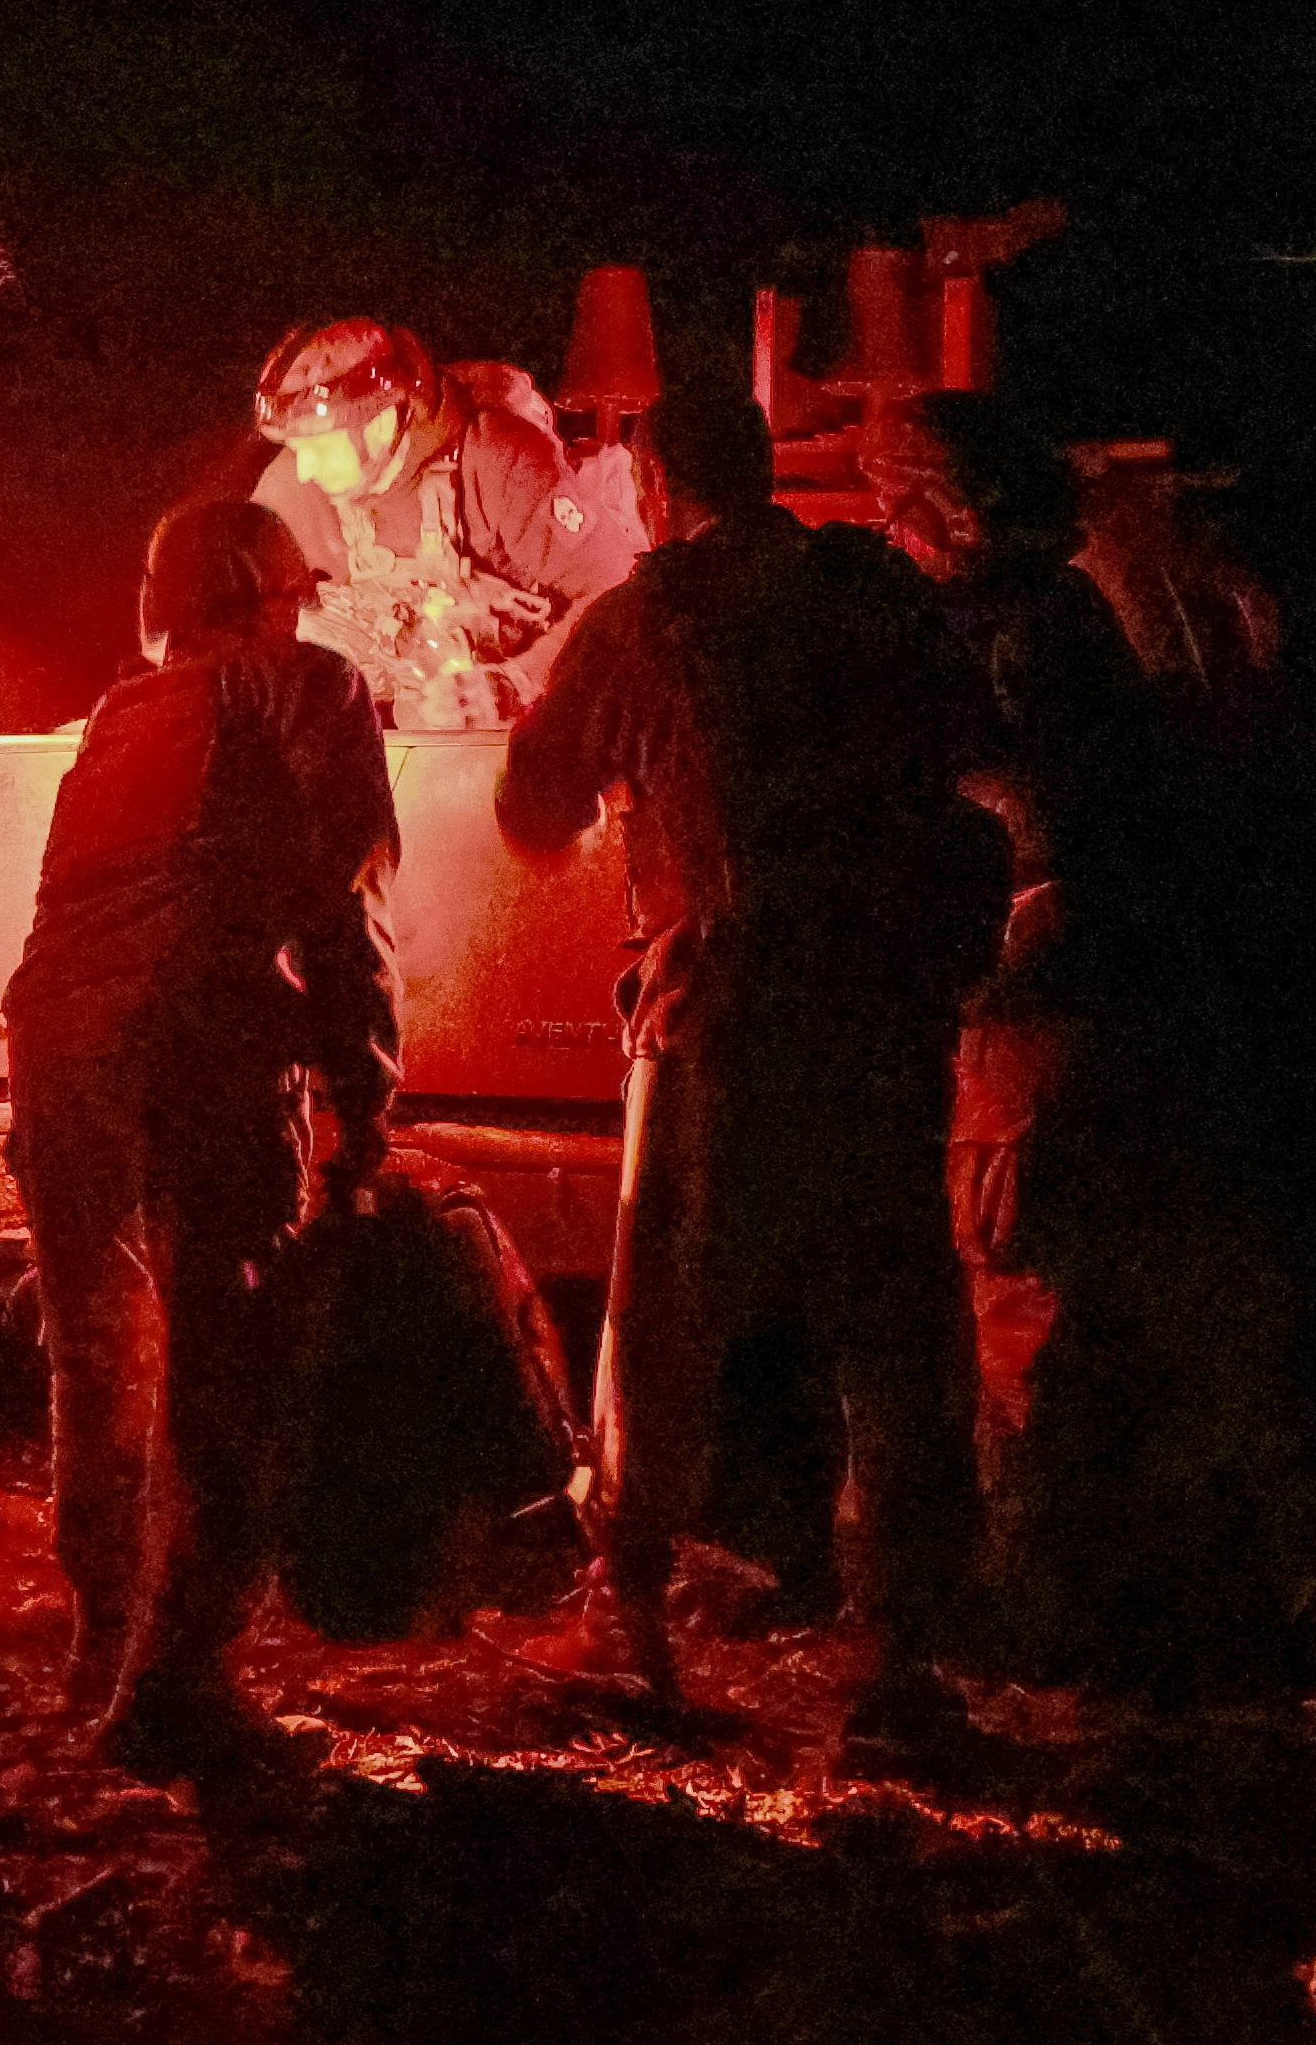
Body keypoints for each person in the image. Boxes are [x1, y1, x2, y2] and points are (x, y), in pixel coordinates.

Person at [496, 385, 1008, 1758]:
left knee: (662, 1309)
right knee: (895, 1326)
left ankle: (625, 1609)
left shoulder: (644, 614)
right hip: (885, 1006)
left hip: (720, 1006)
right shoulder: (874, 586)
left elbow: (527, 809)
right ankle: (901, 1652)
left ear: (655, 490)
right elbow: (975, 750)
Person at [881, 390, 1316, 1682]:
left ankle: (1032, 1631)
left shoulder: (994, 646)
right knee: (1200, 1306)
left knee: (1018, 1315)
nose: (891, 532)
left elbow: (1024, 832)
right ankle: (1294, 1594)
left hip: (1043, 1031)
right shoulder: (1091, 607)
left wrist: (977, 976)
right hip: (1162, 1008)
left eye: (895, 507)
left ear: (937, 514)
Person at [5, 500, 400, 1789]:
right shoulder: (313, 683)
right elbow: (344, 897)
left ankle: (97, 1639)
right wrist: (364, 1087)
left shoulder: (121, 712)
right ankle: (175, 1677)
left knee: (95, 1349)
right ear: (276, 589)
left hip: (56, 1039)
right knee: (219, 1350)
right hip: (196, 1033)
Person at [249, 317, 641, 729]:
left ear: (382, 422)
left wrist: (517, 682)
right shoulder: (296, 482)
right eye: (296, 448)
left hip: (530, 722)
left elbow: (621, 588)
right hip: (409, 733)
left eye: (321, 447)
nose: (306, 469)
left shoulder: (497, 458)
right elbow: (227, 599)